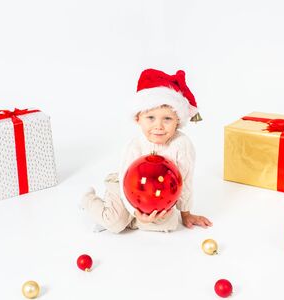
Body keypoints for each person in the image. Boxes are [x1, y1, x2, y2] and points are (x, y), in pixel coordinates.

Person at [81, 68, 213, 233]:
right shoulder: (134, 146)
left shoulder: (182, 145)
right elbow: (125, 181)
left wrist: (186, 214)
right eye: (151, 118)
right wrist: (134, 211)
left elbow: (184, 181)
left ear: (178, 121)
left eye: (167, 119)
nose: (158, 126)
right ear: (138, 118)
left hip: (156, 195)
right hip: (126, 187)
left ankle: (129, 220)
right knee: (115, 225)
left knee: (170, 224)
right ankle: (89, 200)